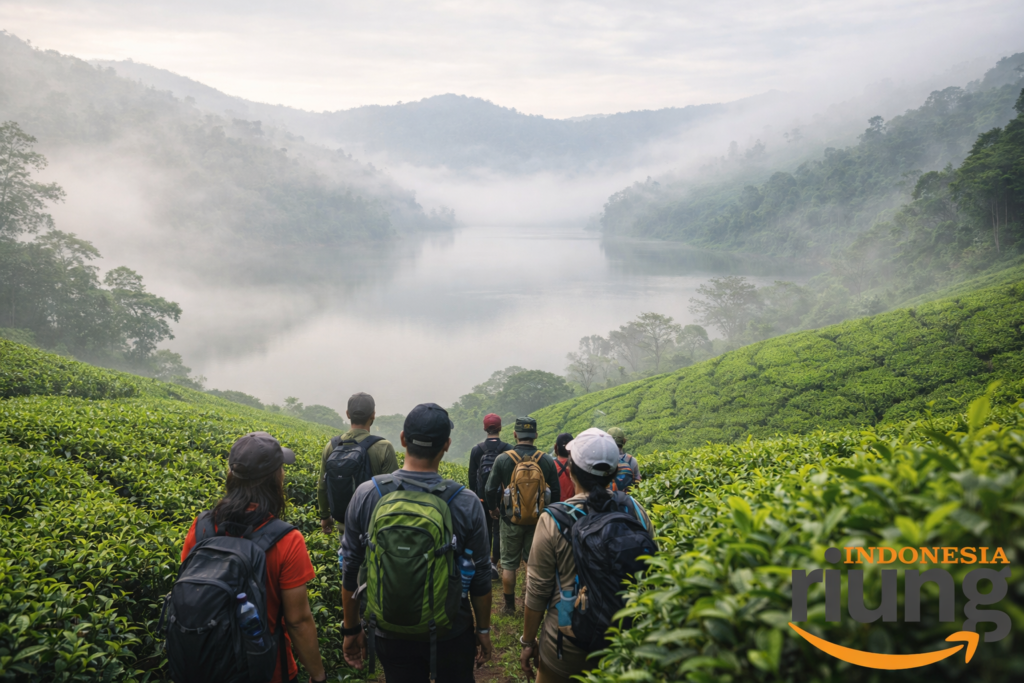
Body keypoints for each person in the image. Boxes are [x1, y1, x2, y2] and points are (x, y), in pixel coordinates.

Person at [340, 403, 493, 683]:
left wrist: (351, 630)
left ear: (402, 439)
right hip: (451, 628)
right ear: (446, 445)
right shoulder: (465, 500)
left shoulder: (367, 494)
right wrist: (482, 630)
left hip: (388, 627)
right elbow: (481, 572)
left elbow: (350, 566)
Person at [179, 432, 327, 683]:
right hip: (268, 669)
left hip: (207, 664)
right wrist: (319, 676)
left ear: (232, 476)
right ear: (276, 478)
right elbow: (298, 621)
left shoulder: (202, 526)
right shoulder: (287, 540)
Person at [520, 428, 654, 683]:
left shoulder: (553, 518)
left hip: (567, 644)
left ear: (570, 469)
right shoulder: (635, 509)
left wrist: (528, 642)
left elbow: (537, 590)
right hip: (623, 642)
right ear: (614, 473)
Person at [484, 416, 560, 614]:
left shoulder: (503, 459)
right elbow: (557, 493)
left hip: (510, 519)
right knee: (532, 563)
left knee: (508, 564)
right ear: (535, 435)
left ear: (515, 435)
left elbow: (489, 489)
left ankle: (509, 607)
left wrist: (494, 509)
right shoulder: (546, 460)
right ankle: (530, 603)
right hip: (538, 520)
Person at [317, 391, 399, 536]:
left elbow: (322, 486)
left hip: (344, 527)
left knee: (347, 558)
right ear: (373, 415)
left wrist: (325, 517)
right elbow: (392, 493)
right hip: (374, 530)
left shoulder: (332, 446)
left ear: (348, 414)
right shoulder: (384, 447)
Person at [468, 412, 511, 580]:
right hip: (503, 498)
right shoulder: (508, 449)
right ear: (500, 428)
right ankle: (495, 562)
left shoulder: (477, 450)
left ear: (485, 428)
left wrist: (477, 496)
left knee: (484, 529)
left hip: (482, 497)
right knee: (498, 530)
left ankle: (485, 561)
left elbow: (472, 476)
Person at [606, 426, 641, 492]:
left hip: (608, 500)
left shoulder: (602, 460)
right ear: (624, 441)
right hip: (626, 500)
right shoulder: (632, 461)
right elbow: (638, 485)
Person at [551, 433, 574, 503]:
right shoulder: (579, 466)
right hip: (576, 508)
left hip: (555, 509)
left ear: (555, 448)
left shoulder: (551, 466)